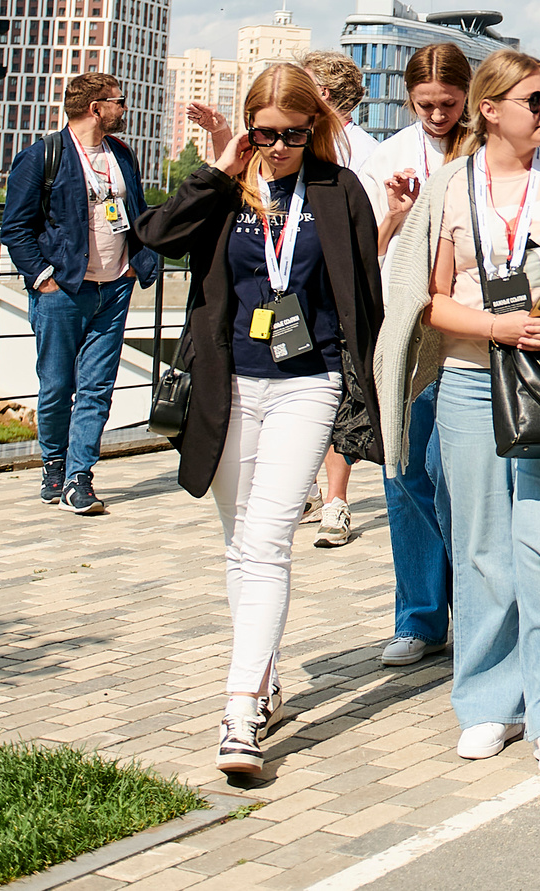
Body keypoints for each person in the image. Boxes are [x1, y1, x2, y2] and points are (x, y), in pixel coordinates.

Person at [140, 64, 386, 778]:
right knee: (239, 540)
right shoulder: (227, 191)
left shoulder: (340, 193)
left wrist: (366, 399)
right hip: (228, 385)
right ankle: (268, 673)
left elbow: (362, 299)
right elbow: (157, 235)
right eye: (264, 133)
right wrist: (220, 164)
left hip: (307, 381)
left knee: (269, 536)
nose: (277, 147)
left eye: (292, 134)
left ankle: (241, 707)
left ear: (317, 129)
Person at [409, 49, 540, 776]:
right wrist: (499, 327)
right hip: (472, 378)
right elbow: (431, 299)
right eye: (532, 99)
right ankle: (491, 700)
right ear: (490, 108)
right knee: (481, 543)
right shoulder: (451, 185)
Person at [0, 71, 163, 516]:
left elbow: (138, 213)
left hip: (114, 288)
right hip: (62, 291)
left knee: (97, 388)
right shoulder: (41, 157)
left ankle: (79, 478)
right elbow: (14, 228)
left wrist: (137, 264)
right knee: (56, 387)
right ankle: (54, 464)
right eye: (119, 101)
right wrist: (42, 277)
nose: (123, 108)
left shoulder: (121, 155)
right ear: (96, 108)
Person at [366, 41, 478, 668]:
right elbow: (368, 253)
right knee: (405, 472)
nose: (437, 115)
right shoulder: (387, 158)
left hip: (464, 333)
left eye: (448, 103)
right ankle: (418, 615)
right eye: (424, 105)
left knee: (455, 473)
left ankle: (476, 610)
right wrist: (396, 215)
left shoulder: (485, 153)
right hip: (404, 335)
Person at [302, 49, 385, 550]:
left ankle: (336, 498)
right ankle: (311, 492)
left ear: (324, 95)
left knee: (342, 392)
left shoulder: (364, 154)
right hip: (299, 290)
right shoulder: (296, 142)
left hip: (344, 295)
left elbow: (372, 232)